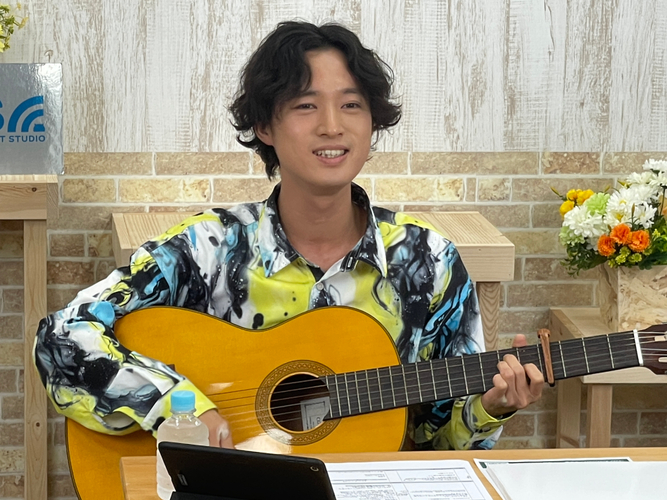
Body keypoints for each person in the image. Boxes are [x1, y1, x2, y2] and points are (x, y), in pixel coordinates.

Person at [34, 21, 543, 451]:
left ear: (372, 123)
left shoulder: (428, 260)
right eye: (305, 106)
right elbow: (62, 335)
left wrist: (489, 408)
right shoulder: (208, 249)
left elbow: (438, 447)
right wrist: (180, 408)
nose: (332, 126)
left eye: (351, 105)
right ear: (265, 126)